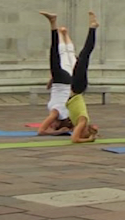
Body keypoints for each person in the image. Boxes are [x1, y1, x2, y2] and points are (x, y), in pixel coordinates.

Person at [37, 11, 101, 143]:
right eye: (82, 132)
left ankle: (54, 23)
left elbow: (76, 135)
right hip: (75, 87)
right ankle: (92, 28)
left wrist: (61, 130)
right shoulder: (76, 119)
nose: (52, 125)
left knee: (59, 55)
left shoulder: (71, 118)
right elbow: (74, 138)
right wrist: (89, 138)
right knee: (81, 56)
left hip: (70, 84)